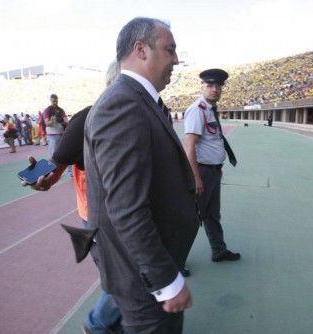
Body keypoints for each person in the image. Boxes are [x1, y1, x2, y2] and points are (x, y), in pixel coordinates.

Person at [84, 17, 199, 333]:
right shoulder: (123, 104)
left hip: (147, 266)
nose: (176, 59)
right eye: (170, 49)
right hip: (143, 277)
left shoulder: (137, 100)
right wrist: (165, 281)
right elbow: (126, 208)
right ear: (141, 50)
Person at [25, 62, 123, 334]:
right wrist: (39, 176)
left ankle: (110, 325)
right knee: (127, 276)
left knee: (123, 276)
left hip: (128, 212)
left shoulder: (142, 114)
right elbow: (56, 163)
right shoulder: (86, 119)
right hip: (99, 216)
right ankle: (98, 325)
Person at [183, 68, 241, 263]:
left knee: (212, 215)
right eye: (210, 85)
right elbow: (189, 146)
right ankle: (175, 260)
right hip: (202, 173)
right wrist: (196, 177)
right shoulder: (197, 110)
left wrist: (217, 169)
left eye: (218, 86)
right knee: (190, 217)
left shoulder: (209, 109)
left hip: (213, 172)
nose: (215, 89)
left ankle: (218, 250)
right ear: (202, 87)